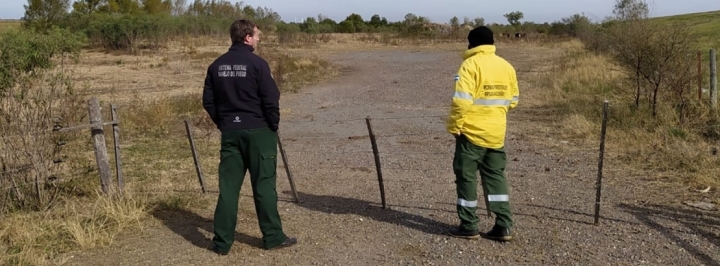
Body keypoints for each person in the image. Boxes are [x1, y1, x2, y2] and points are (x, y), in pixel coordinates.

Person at [202, 18, 297, 254]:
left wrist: (224, 123)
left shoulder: (216, 65)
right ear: (247, 37)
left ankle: (222, 243)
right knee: (264, 185)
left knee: (228, 189)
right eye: (256, 36)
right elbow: (271, 99)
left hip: (230, 133)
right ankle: (273, 237)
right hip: (259, 132)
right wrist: (272, 126)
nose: (258, 39)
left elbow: (208, 101)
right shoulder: (258, 64)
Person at [446, 26, 519, 242]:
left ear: (471, 43)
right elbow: (513, 100)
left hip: (471, 134)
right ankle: (503, 225)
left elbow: (461, 101)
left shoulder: (469, 65)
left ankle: (469, 225)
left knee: (466, 177)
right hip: (497, 134)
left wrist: (454, 125)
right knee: (496, 176)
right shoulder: (506, 66)